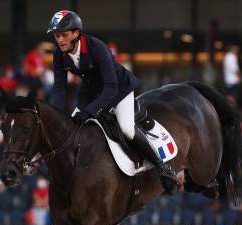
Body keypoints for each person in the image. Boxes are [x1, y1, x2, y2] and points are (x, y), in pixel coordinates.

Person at [48, 10, 177, 194]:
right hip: (91, 91)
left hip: (119, 89)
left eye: (64, 35)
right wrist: (56, 115)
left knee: (126, 128)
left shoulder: (96, 47)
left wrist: (90, 111)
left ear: (76, 33)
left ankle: (162, 168)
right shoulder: (58, 54)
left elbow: (111, 88)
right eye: (56, 35)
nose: (59, 40)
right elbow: (59, 88)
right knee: (72, 129)